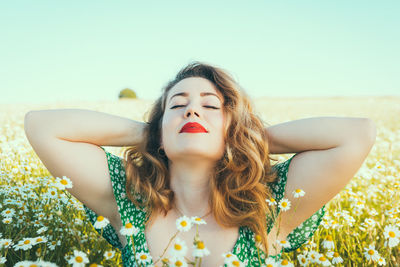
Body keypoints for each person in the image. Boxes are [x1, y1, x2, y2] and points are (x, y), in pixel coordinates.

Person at [24, 61, 377, 267]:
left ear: (232, 124)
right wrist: (153, 132)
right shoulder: (129, 200)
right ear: (158, 129)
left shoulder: (268, 207)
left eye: (211, 106)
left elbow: (357, 134)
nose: (192, 110)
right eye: (177, 105)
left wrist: (243, 138)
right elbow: (42, 126)